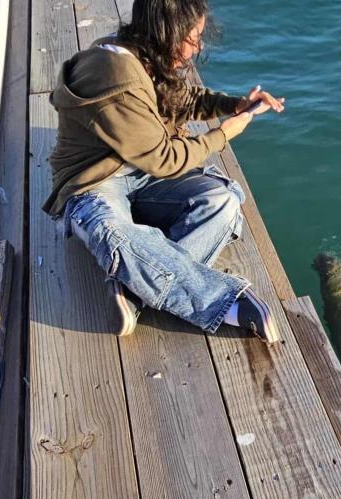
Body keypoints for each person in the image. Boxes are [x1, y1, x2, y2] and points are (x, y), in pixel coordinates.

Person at [41, 0, 285, 342]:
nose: (198, 46)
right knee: (115, 236)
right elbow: (167, 158)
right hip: (94, 181)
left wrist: (233, 104)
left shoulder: (144, 54)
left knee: (223, 200)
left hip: (143, 173)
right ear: (164, 33)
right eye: (192, 38)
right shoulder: (114, 72)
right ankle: (225, 302)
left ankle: (135, 287)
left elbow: (180, 99)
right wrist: (223, 133)